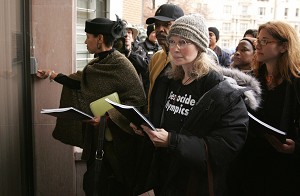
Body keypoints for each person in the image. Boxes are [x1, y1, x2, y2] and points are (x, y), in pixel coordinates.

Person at [131, 14, 262, 196]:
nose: (175, 48)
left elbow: (225, 147)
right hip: (165, 178)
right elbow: (165, 120)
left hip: (195, 184)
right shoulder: (169, 81)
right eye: (172, 41)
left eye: (183, 42)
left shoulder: (222, 91)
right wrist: (145, 125)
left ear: (200, 46)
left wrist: (172, 141)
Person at [36, 16, 149, 196]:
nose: (85, 40)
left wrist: (107, 118)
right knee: (94, 184)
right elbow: (78, 82)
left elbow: (137, 100)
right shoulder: (95, 64)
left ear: (100, 38)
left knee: (116, 187)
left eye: (88, 36)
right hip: (97, 141)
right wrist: (52, 74)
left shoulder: (121, 65)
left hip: (118, 145)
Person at [228, 21, 300, 196]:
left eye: (265, 41)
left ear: (284, 46)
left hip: (283, 165)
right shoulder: (252, 79)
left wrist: (296, 147)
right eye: (257, 41)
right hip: (250, 160)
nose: (257, 45)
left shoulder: (296, 83)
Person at [146, 3, 184, 112]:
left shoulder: (186, 60)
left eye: (167, 24)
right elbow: (151, 95)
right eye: (157, 25)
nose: (160, 29)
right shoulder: (156, 58)